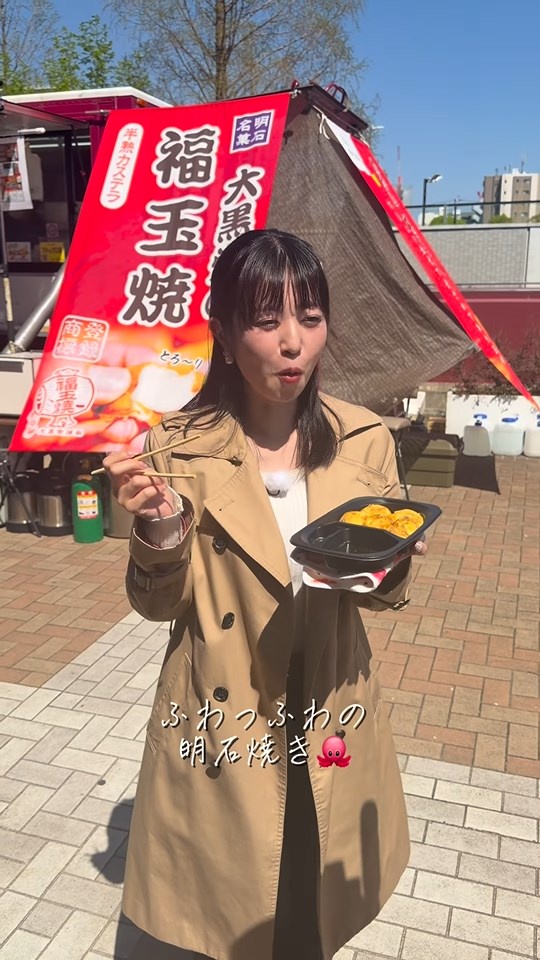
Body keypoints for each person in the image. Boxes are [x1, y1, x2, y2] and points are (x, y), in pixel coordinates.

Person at [104, 229, 425, 960]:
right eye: (264, 319)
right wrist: (158, 529)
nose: (292, 343)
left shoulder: (364, 438)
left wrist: (393, 563)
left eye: (310, 318)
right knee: (238, 907)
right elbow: (158, 605)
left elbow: (381, 593)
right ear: (221, 332)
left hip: (331, 704)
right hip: (227, 712)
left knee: (311, 905)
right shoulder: (176, 446)